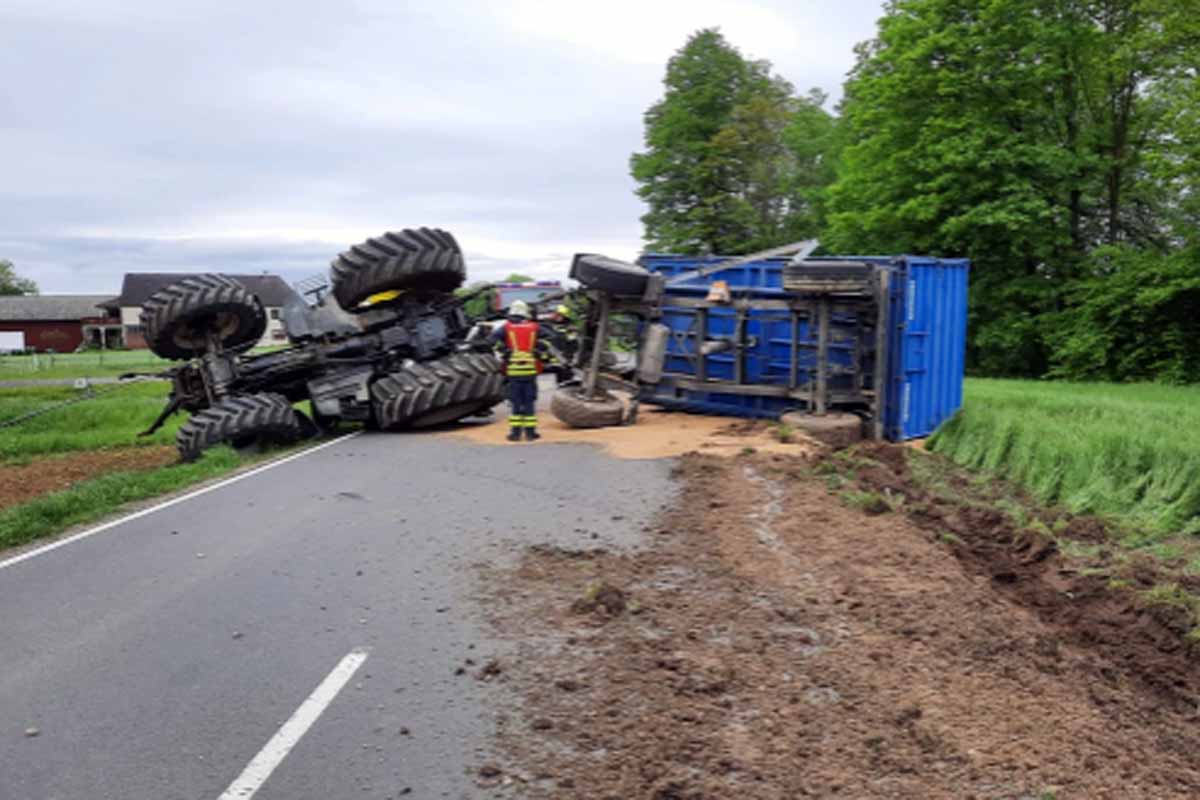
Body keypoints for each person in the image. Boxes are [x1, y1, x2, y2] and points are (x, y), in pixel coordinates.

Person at [492, 299, 549, 442]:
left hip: (513, 372)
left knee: (516, 402)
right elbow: (551, 337)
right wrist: (538, 348)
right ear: (526, 313)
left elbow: (490, 341)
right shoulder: (535, 327)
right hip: (530, 371)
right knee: (529, 402)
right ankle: (530, 433)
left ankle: (515, 433)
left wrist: (503, 350)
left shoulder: (505, 327)